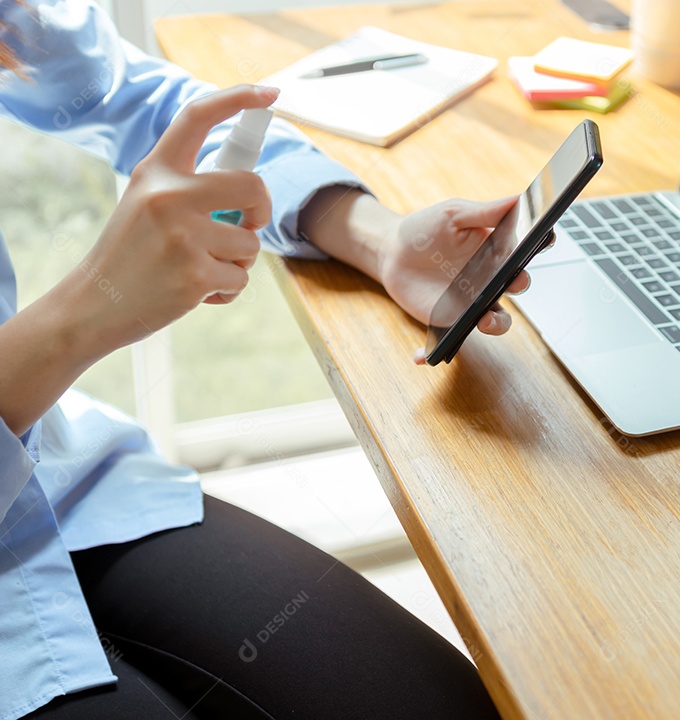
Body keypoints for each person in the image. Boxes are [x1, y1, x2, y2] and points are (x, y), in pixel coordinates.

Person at [0, 1, 521, 717]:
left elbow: (141, 101)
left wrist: (378, 239)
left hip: (58, 485)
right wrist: (80, 319)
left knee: (443, 706)